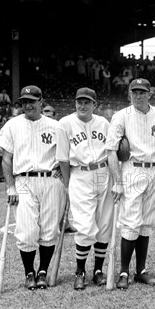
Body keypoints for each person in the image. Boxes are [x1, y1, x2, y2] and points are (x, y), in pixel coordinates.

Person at [0, 85, 67, 290]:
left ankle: (43, 271)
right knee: (26, 231)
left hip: (51, 180)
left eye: (32, 101)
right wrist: (10, 187)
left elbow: (66, 155)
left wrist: (64, 170)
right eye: (24, 102)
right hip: (24, 180)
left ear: (40, 102)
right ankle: (29, 272)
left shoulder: (55, 126)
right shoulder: (12, 125)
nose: (28, 105)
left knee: (49, 229)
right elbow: (6, 159)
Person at [106, 78, 155, 290]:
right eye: (134, 92)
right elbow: (111, 150)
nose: (138, 96)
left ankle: (141, 271)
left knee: (146, 222)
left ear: (149, 93)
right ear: (129, 93)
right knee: (131, 222)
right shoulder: (121, 116)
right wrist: (117, 182)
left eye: (142, 92)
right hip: (132, 168)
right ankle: (124, 271)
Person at [57, 87, 114, 290]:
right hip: (80, 174)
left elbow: (112, 151)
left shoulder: (104, 123)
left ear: (94, 105)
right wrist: (66, 183)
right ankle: (80, 271)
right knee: (85, 225)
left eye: (87, 102)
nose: (82, 105)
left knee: (104, 223)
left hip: (103, 172)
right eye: (79, 101)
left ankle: (98, 270)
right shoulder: (65, 124)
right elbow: (63, 158)